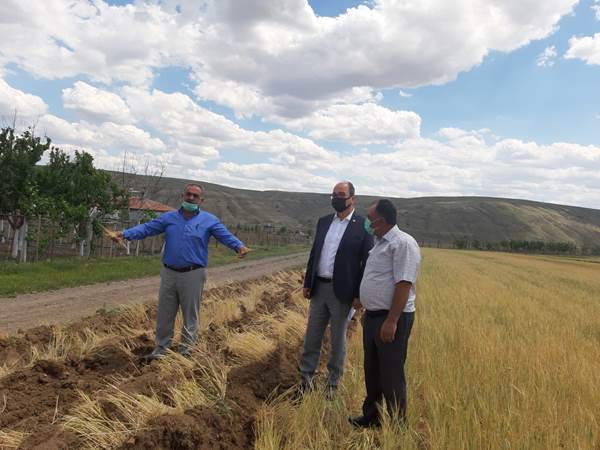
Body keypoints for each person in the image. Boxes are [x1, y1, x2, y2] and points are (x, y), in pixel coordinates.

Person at [113, 183, 250, 359]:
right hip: (169, 273)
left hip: (193, 274)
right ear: (182, 196)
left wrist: (239, 246)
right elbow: (147, 228)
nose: (191, 198)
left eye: (195, 196)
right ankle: (161, 349)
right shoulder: (169, 218)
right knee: (165, 313)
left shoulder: (209, 220)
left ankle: (187, 352)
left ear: (201, 200)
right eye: (188, 194)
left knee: (190, 314)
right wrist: (125, 234)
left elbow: (225, 236)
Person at [350, 199, 421, 427]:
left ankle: (398, 426)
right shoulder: (378, 242)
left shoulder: (403, 243)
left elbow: (404, 283)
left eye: (370, 219)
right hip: (374, 316)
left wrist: (392, 320)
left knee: (391, 373)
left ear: (382, 220)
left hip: (391, 318)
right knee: (372, 371)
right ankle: (372, 417)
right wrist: (367, 307)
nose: (367, 223)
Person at [300, 181, 373, 396]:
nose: (336, 198)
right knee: (312, 337)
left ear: (353, 198)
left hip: (343, 292)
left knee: (337, 340)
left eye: (341, 194)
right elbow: (315, 253)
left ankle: (332, 384)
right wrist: (308, 282)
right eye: (333, 194)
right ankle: (306, 380)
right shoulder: (324, 222)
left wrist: (359, 294)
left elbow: (366, 263)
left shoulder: (363, 225)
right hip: (319, 288)